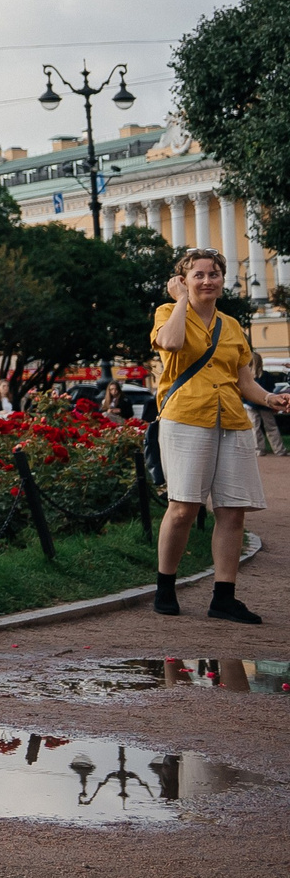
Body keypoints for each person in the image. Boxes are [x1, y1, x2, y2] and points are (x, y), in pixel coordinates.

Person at [149, 248, 287, 623]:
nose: (207, 280)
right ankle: (165, 587)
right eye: (198, 275)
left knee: (233, 511)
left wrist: (270, 398)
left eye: (214, 275)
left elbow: (244, 381)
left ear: (223, 282)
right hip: (186, 417)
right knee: (183, 509)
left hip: (231, 421)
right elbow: (173, 344)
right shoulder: (168, 313)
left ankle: (223, 598)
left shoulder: (231, 327)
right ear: (184, 280)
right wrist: (180, 301)